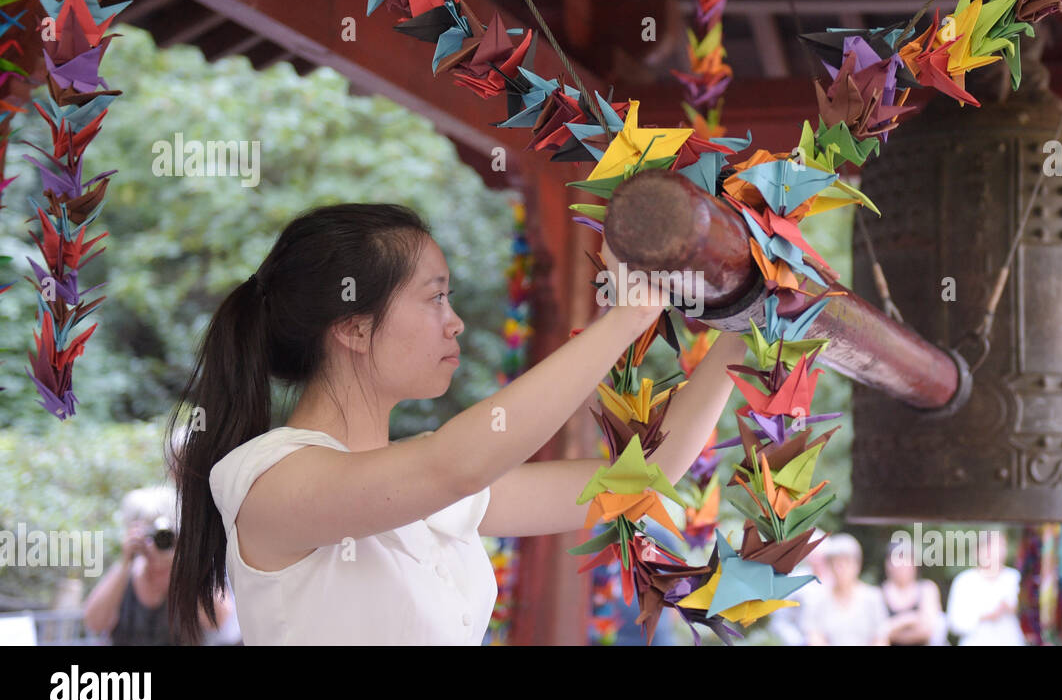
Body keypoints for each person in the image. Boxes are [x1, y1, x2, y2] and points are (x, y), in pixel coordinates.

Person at [166, 203, 746, 645]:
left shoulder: (426, 485)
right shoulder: (267, 477)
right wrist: (629, 316)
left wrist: (745, 319)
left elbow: (640, 481)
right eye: (435, 298)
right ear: (354, 328)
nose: (456, 323)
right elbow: (454, 466)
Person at [83, 485, 232, 645]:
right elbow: (94, 623)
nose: (157, 543)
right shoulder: (124, 574)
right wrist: (125, 562)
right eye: (151, 534)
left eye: (166, 535)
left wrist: (184, 565)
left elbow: (218, 620)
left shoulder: (190, 574)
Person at [802, 534, 889, 646]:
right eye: (836, 563)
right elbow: (814, 637)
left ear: (857, 564)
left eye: (846, 562)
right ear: (829, 566)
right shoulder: (817, 598)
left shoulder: (873, 597)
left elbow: (881, 639)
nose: (841, 568)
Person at [946, 530, 1024, 646]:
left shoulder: (1014, 577)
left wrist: (1012, 608)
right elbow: (954, 622)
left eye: (1002, 546)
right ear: (978, 551)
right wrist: (984, 616)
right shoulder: (964, 580)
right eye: (992, 547)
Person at [879, 535, 944, 646]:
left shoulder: (927, 588)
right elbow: (877, 633)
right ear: (887, 564)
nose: (902, 565)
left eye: (906, 559)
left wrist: (893, 627)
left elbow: (928, 630)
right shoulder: (877, 593)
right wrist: (914, 618)